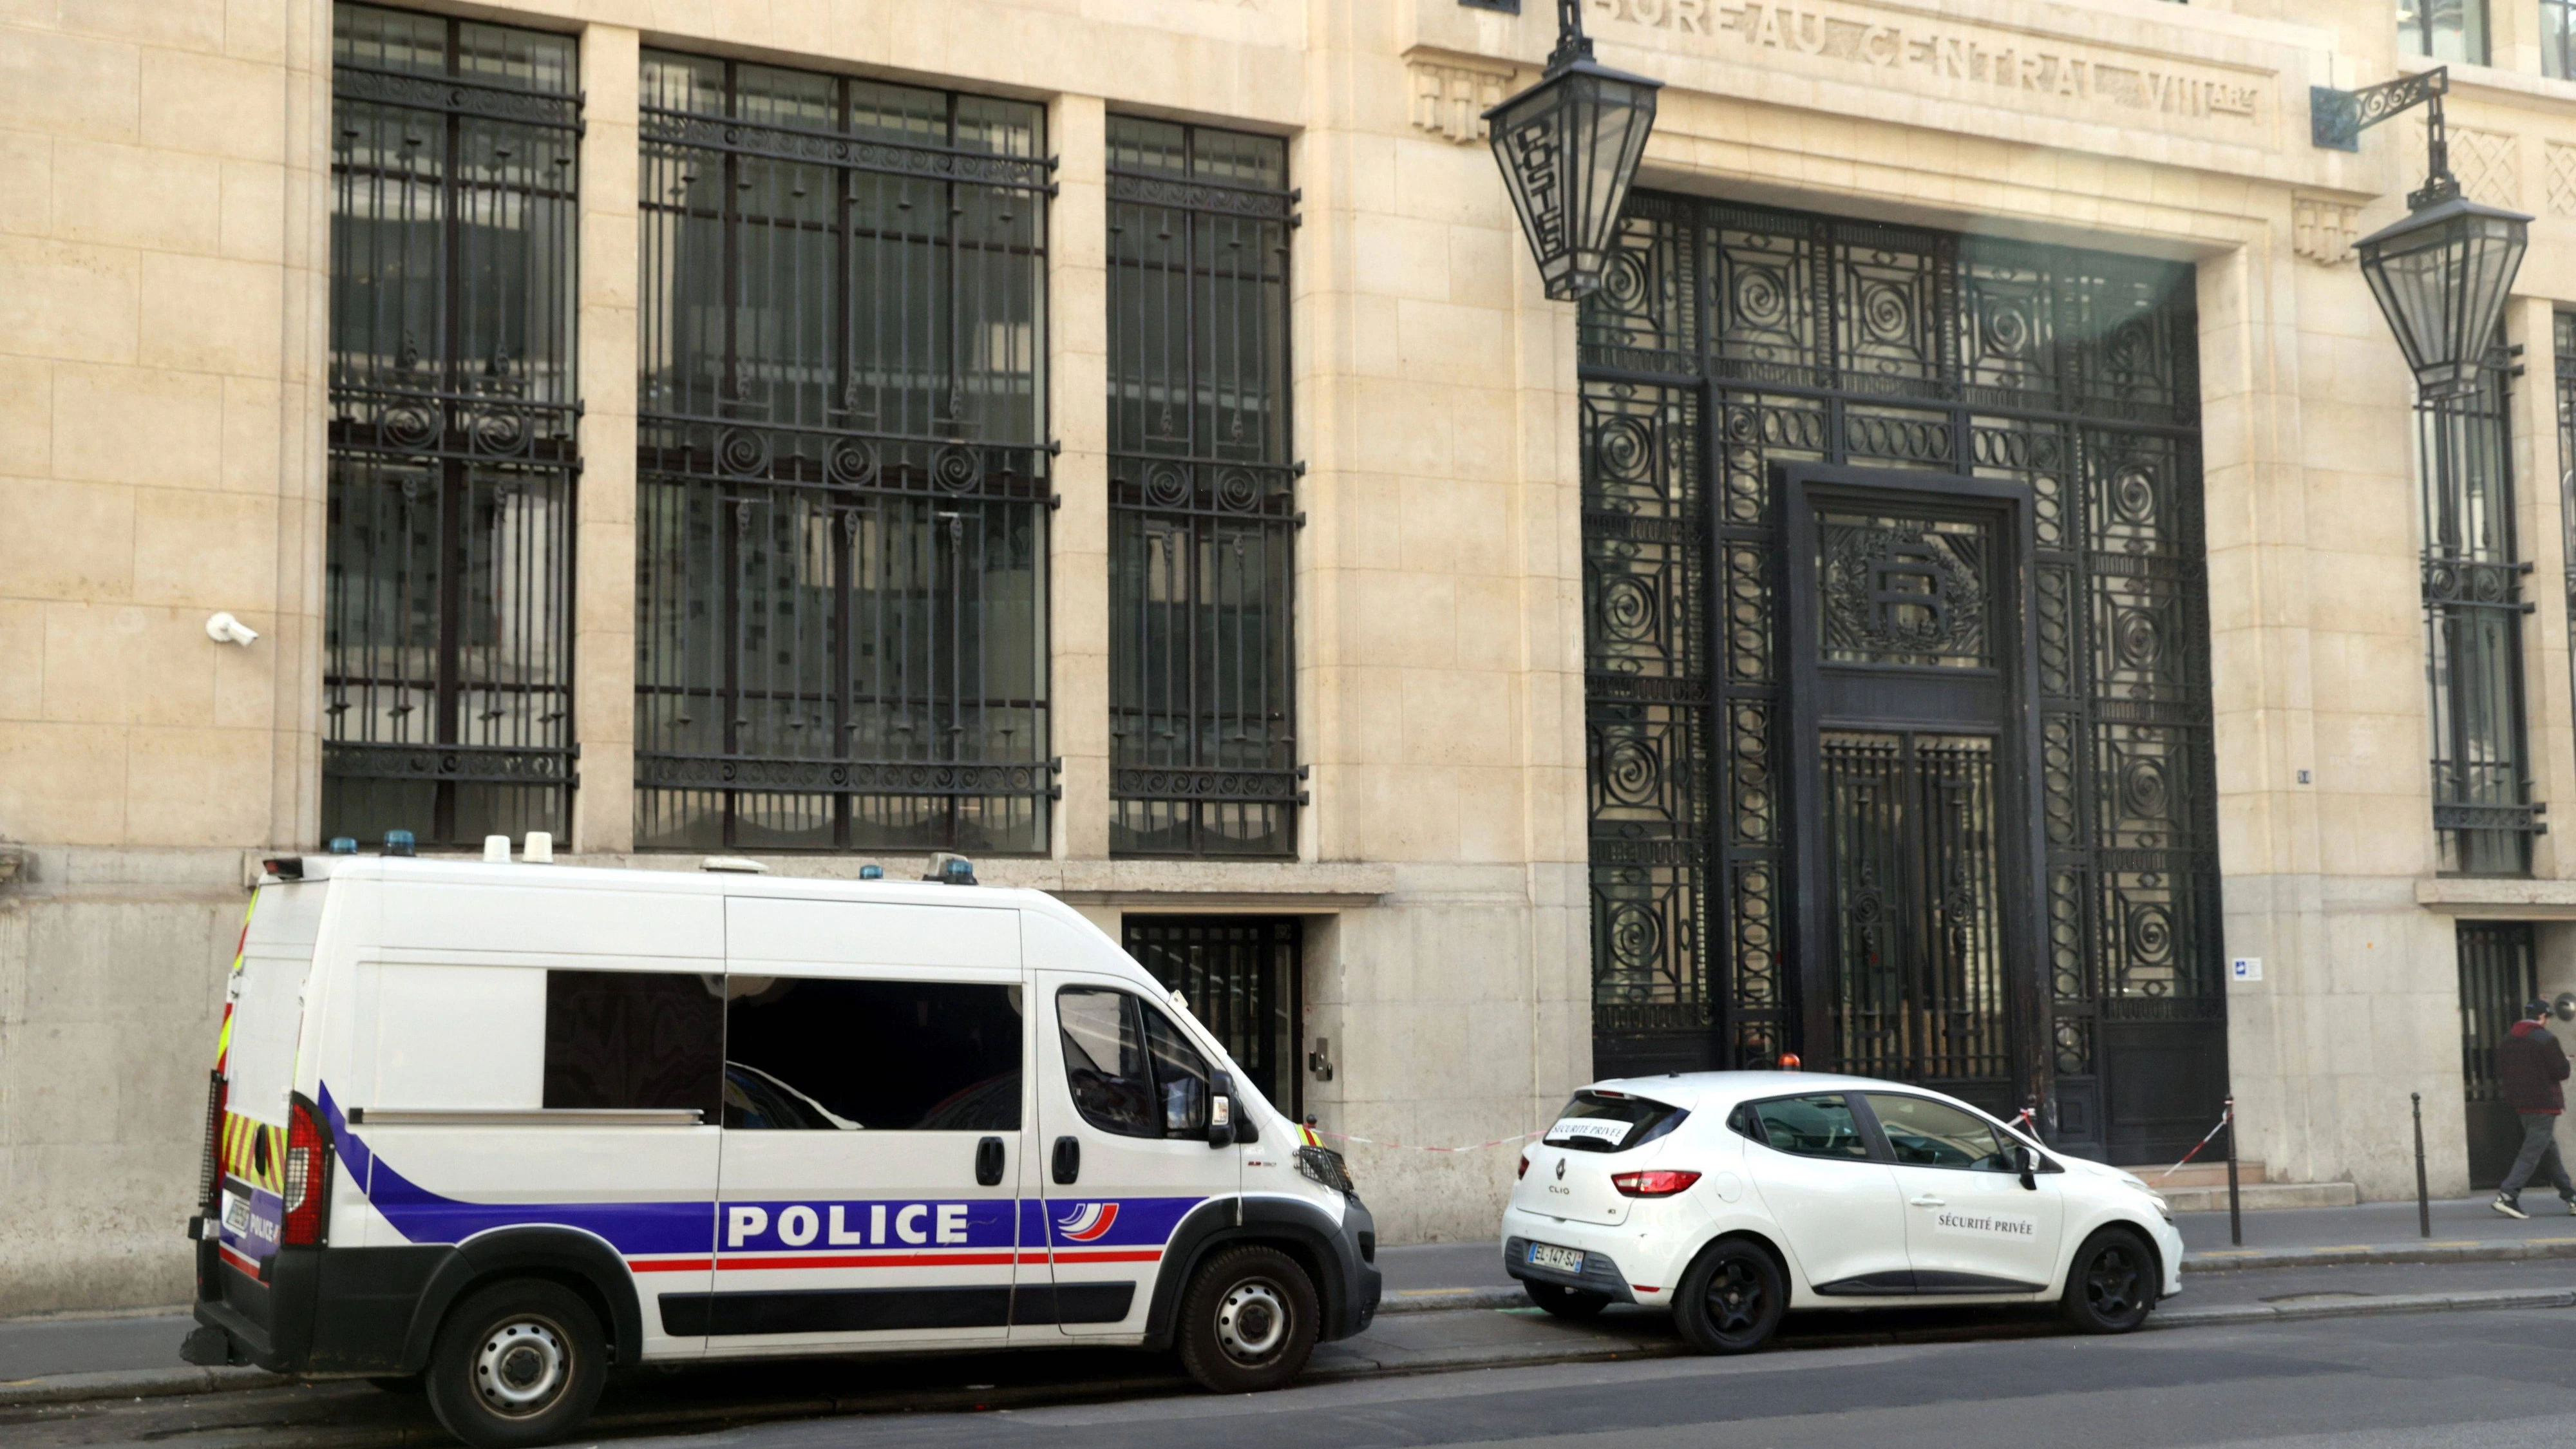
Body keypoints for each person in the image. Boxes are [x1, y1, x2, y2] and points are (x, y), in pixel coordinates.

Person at [2492, 998, 2576, 1219]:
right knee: (2532, 1153)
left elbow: (2502, 1068)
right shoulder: (2546, 1039)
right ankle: (2507, 1195)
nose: (2548, 1021)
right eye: (2548, 1017)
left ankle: (2571, 1197)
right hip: (2545, 1104)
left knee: (2548, 1151)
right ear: (2542, 1017)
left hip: (2521, 1104)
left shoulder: (2508, 1039)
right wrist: (2566, 1062)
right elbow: (2561, 1072)